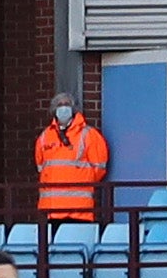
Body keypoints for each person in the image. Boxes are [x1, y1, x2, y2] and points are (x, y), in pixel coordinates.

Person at [34, 94, 110, 222]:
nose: (63, 108)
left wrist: (80, 177)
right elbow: (41, 167)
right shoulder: (45, 136)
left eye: (66, 104)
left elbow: (99, 168)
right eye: (59, 105)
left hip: (79, 211)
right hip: (49, 210)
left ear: (74, 108)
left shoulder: (89, 135)